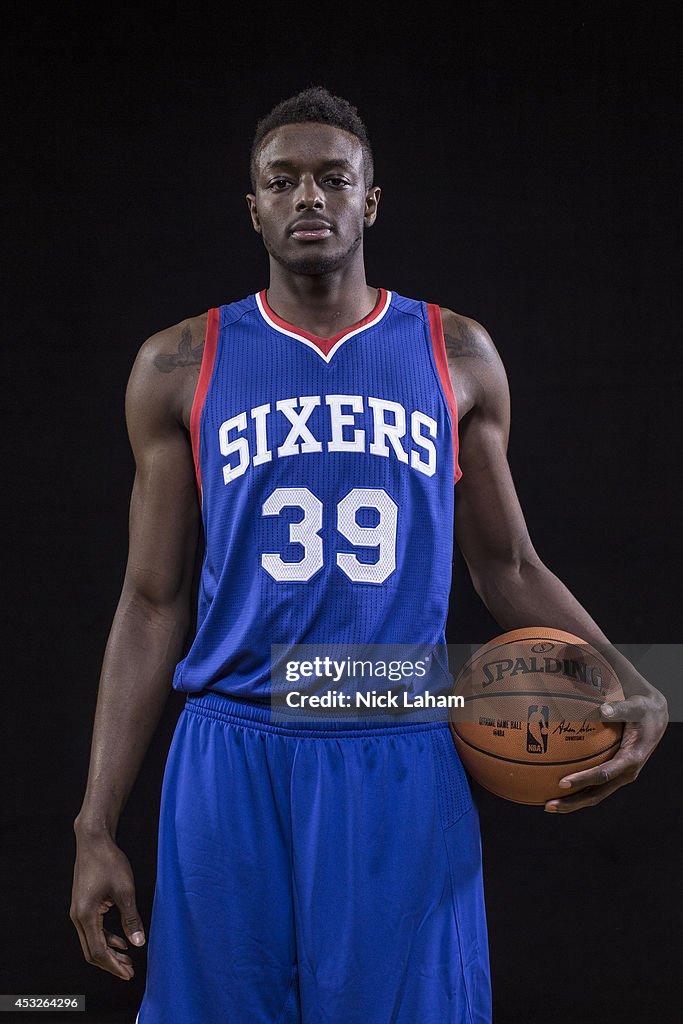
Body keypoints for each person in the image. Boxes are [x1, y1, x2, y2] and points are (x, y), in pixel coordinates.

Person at [70, 86, 668, 1024]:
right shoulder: (178, 363)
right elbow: (151, 602)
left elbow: (507, 563)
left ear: (369, 201)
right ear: (254, 207)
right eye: (284, 181)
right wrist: (94, 822)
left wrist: (629, 678)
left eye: (333, 179)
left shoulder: (455, 351)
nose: (310, 197)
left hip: (397, 736)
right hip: (231, 744)